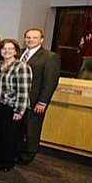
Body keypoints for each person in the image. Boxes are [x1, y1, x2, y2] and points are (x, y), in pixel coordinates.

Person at [18, 28, 61, 165]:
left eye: (34, 38)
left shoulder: (50, 57)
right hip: (18, 100)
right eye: (28, 37)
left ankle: (27, 156)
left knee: (32, 130)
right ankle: (17, 151)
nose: (30, 40)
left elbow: (50, 81)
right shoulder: (19, 53)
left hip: (35, 101)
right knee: (18, 128)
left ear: (41, 40)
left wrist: (43, 102)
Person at [0, 39, 32, 172]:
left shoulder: (22, 67)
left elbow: (24, 91)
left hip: (12, 106)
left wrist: (19, 111)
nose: (6, 51)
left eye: (10, 48)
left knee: (9, 136)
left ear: (15, 51)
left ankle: (7, 163)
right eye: (4, 48)